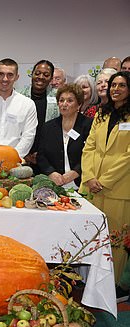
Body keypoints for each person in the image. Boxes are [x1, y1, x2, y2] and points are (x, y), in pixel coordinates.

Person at [79, 71, 130, 301]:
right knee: (93, 236)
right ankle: (91, 282)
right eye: (113, 85)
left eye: (121, 85)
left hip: (118, 188)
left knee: (116, 240)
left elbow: (128, 157)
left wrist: (105, 180)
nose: (115, 89)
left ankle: (115, 286)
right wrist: (89, 176)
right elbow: (89, 147)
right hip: (93, 186)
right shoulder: (101, 113)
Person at [36, 84, 92, 190]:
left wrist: (76, 171)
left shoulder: (88, 125)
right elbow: (41, 156)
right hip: (54, 185)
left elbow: (91, 154)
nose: (64, 104)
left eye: (70, 101)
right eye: (61, 100)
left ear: (79, 105)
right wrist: (51, 172)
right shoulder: (48, 127)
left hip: (82, 184)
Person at [0, 58, 37, 158]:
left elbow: (28, 137)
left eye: (10, 75)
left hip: (15, 163)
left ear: (16, 77)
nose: (5, 79)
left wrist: (11, 157)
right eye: (1, 74)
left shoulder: (27, 104)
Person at [19, 60, 59, 165]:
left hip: (47, 156)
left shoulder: (58, 97)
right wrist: (25, 153)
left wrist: (41, 153)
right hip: (21, 155)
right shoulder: (19, 96)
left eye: (46, 75)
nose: (41, 77)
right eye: (37, 73)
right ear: (31, 75)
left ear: (51, 78)